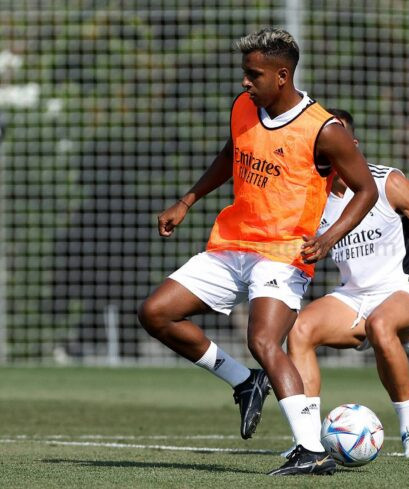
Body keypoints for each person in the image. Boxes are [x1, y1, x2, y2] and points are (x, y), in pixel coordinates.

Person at [137, 30, 378, 476]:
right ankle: (245, 382)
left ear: (282, 75)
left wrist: (328, 238)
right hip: (233, 243)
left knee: (263, 340)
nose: (245, 82)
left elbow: (366, 190)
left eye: (254, 74)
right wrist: (187, 200)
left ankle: (311, 450)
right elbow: (234, 152)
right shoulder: (244, 107)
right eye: (244, 73)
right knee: (155, 313)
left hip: (285, 252)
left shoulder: (324, 130)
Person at [285, 109, 409, 458]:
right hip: (353, 296)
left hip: (407, 289)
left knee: (381, 323)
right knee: (299, 330)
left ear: (353, 145)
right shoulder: (315, 198)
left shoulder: (389, 183)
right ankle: (309, 441)